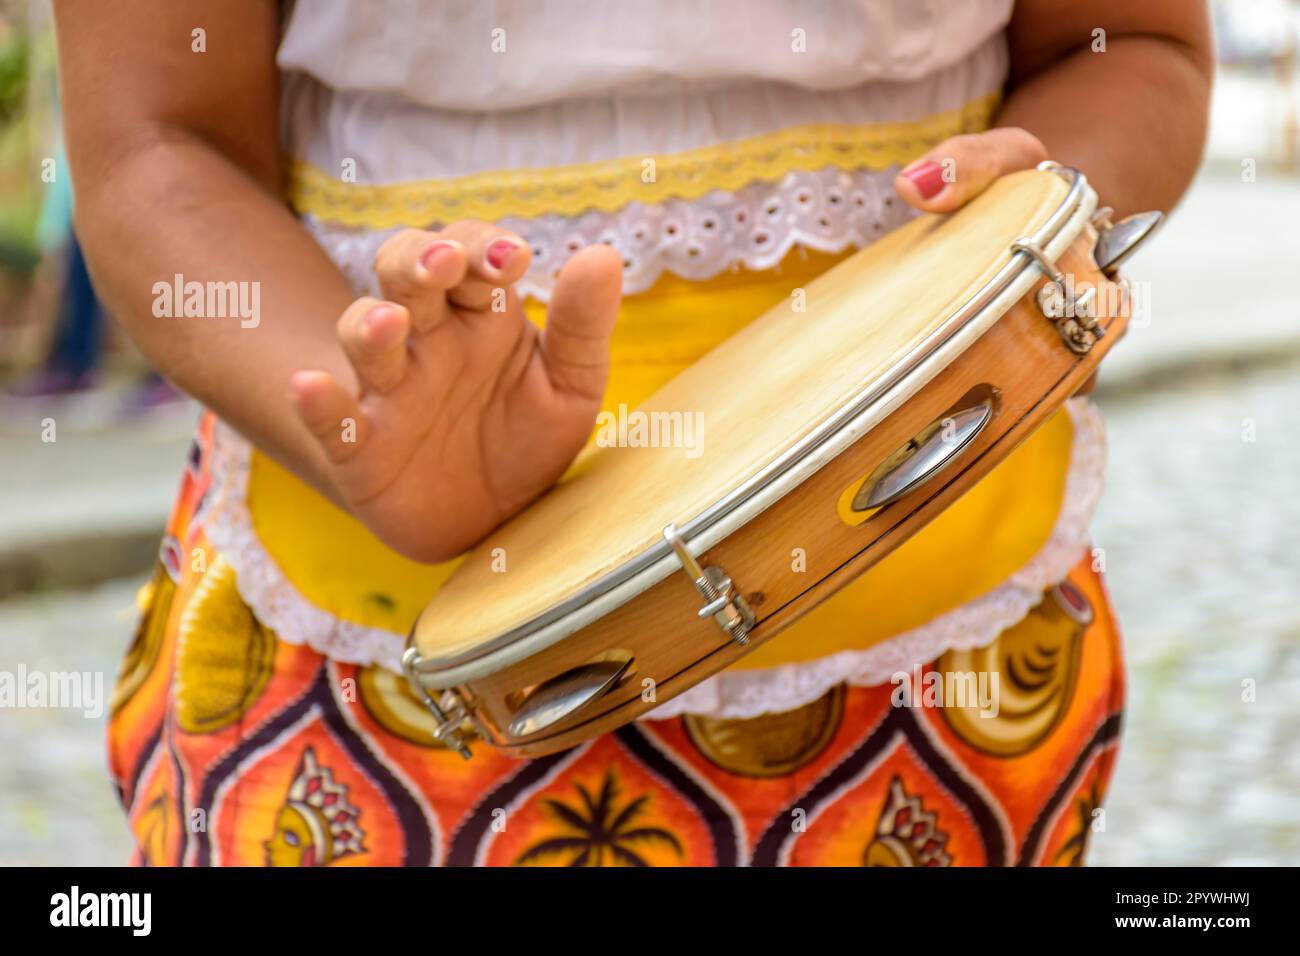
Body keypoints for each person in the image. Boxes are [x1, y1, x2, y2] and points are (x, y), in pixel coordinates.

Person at [55, 0, 1212, 866]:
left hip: (938, 620)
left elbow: (1127, 46)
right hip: (371, 624)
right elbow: (160, 140)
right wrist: (367, 414)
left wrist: (1035, 231)